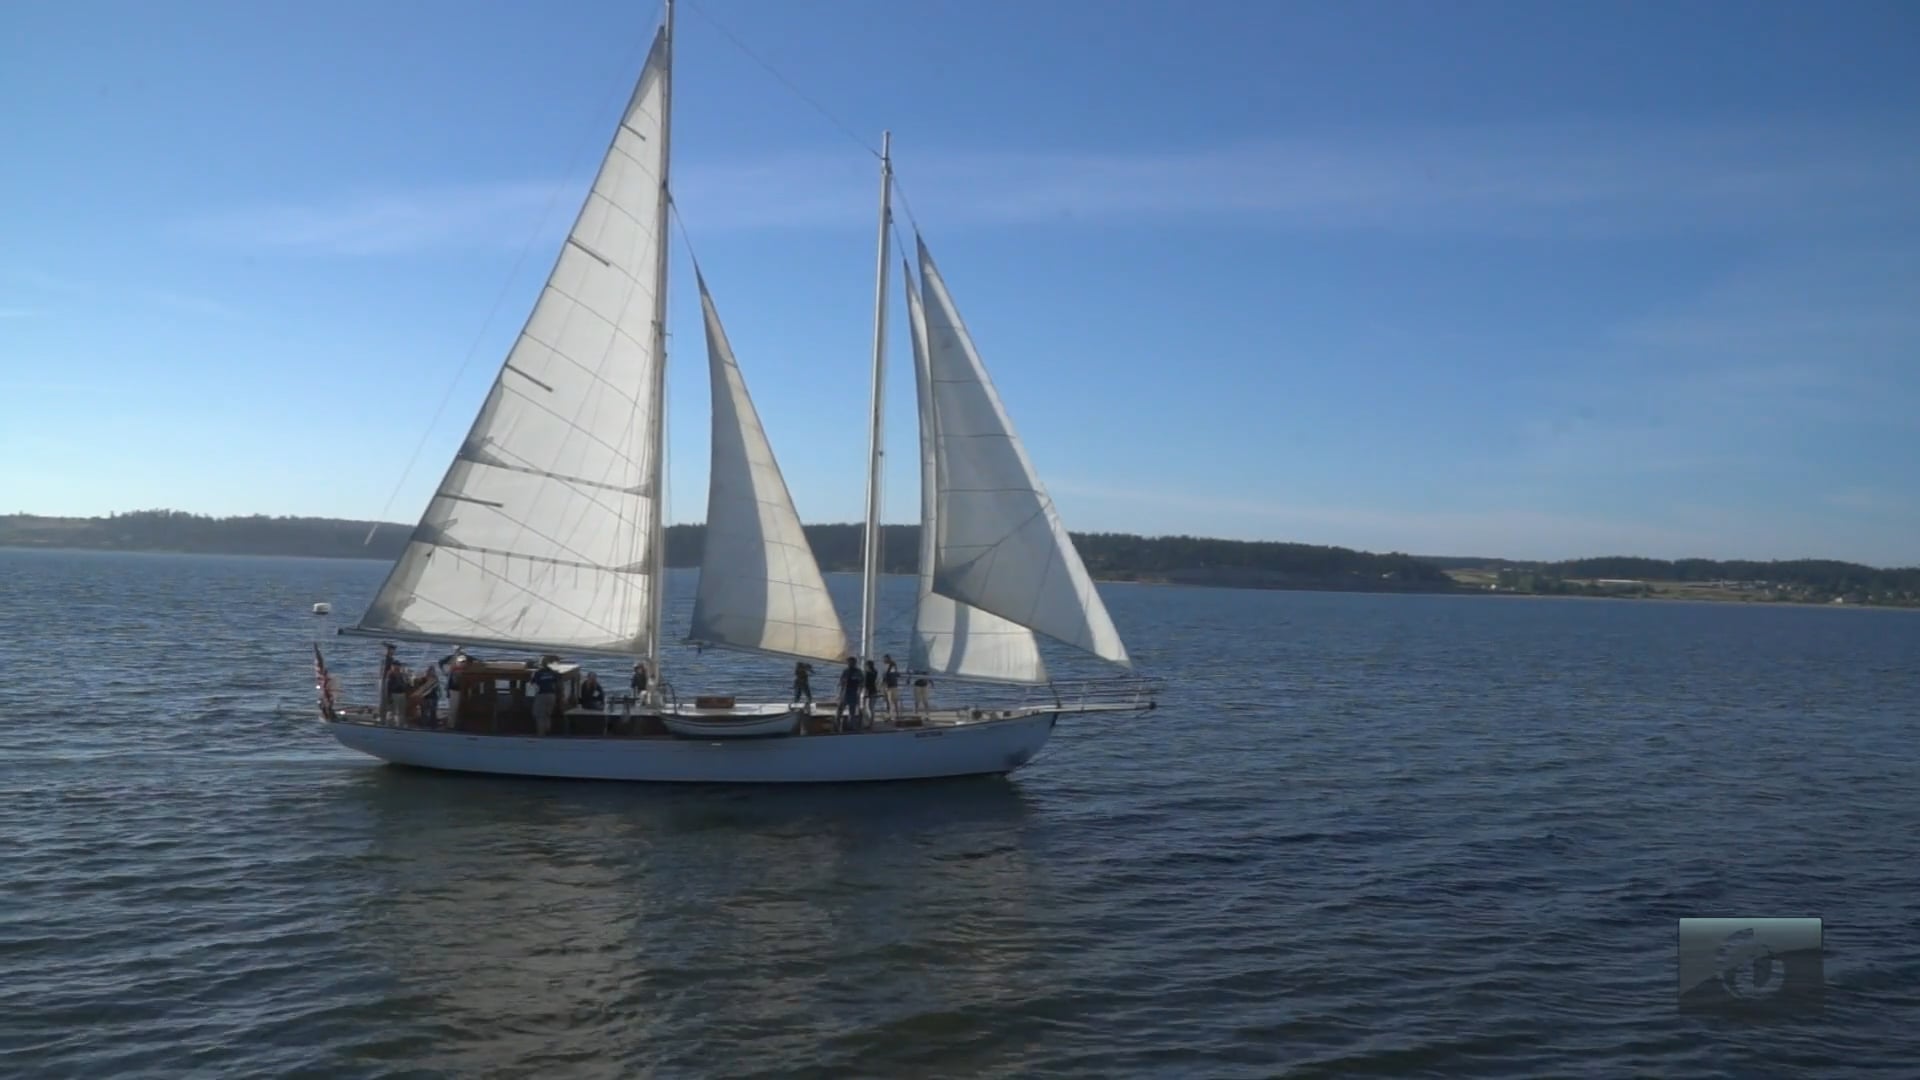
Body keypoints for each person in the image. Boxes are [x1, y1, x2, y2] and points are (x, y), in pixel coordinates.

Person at [531, 658, 560, 736]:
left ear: (540, 664)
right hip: (552, 696)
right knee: (547, 715)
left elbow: (533, 684)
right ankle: (548, 733)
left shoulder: (538, 673)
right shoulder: (553, 672)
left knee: (540, 716)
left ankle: (541, 735)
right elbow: (557, 684)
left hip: (542, 695)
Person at [834, 657, 862, 731]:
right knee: (849, 711)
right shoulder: (857, 672)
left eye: (849, 662)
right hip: (850, 693)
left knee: (841, 711)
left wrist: (838, 694)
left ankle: (839, 726)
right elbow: (861, 683)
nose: (849, 664)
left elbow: (841, 683)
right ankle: (849, 727)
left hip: (847, 694)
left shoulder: (847, 671)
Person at [880, 654, 901, 725]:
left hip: (891, 686)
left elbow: (891, 675)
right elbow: (884, 676)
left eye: (885, 659)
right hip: (888, 686)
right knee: (888, 702)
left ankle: (895, 715)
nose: (883, 660)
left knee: (892, 701)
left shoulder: (892, 665)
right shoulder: (886, 666)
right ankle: (889, 715)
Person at [862, 660, 879, 725]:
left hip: (869, 691)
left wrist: (865, 693)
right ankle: (871, 721)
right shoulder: (875, 672)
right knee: (871, 707)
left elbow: (866, 684)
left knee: (867, 706)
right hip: (874, 690)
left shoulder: (867, 673)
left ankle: (868, 721)